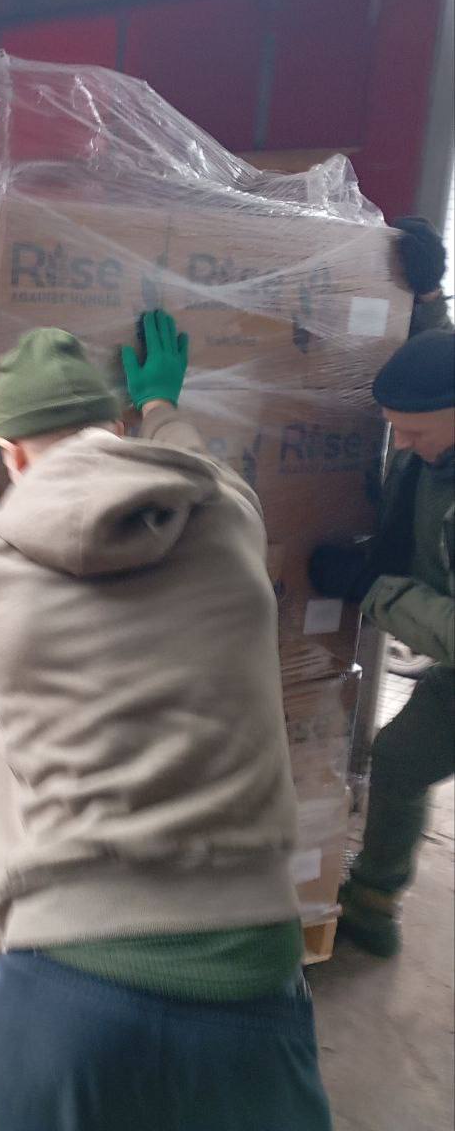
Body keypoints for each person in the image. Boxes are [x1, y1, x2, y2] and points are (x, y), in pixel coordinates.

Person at [0, 312, 332, 1131]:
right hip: (253, 977)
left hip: (67, 987)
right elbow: (195, 462)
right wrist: (162, 407)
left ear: (14, 457)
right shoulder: (229, 513)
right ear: (114, 427)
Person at [309, 216, 453, 958]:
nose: (407, 444)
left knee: (403, 756)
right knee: (399, 762)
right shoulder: (435, 430)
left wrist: (373, 587)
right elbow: (436, 365)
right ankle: (372, 903)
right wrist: (427, 295)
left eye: (417, 433)